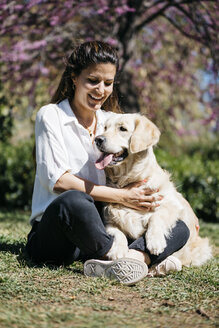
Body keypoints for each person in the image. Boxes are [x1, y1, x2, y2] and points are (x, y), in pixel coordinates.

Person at [26, 41, 190, 285]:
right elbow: (59, 181)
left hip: (99, 228)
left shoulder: (110, 121)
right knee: (75, 201)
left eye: (108, 83)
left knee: (181, 227)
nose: (101, 89)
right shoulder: (51, 116)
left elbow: (152, 172)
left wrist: (187, 210)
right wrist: (122, 196)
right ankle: (136, 258)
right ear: (74, 78)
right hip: (58, 233)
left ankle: (129, 258)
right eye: (93, 80)